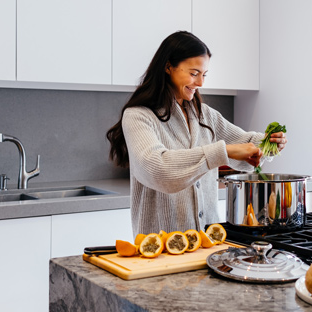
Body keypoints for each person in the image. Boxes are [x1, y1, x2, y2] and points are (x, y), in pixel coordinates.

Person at [106, 31, 287, 236]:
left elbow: (244, 144)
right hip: (161, 247)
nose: (200, 83)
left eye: (204, 74)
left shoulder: (205, 115)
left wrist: (268, 143)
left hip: (209, 242)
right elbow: (158, 169)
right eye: (194, 73)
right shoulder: (139, 116)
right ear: (168, 67)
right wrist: (223, 152)